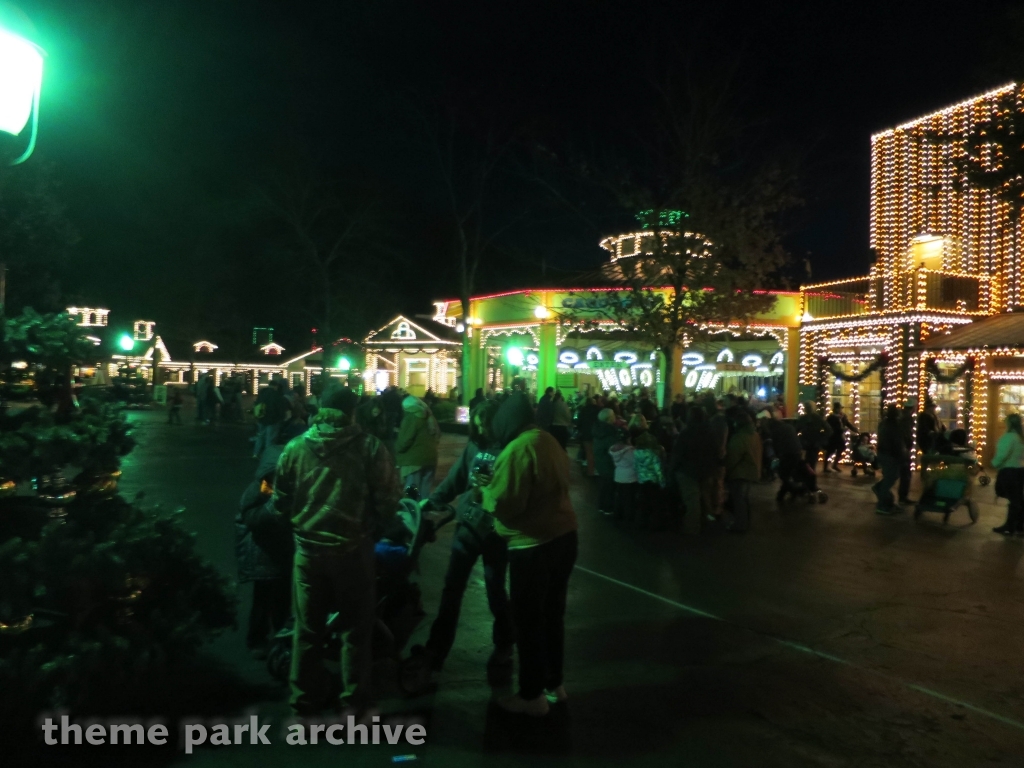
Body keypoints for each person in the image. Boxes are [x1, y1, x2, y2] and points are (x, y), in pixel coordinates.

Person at [273, 386, 401, 716]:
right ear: (352, 411)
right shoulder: (369, 448)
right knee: (355, 631)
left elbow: (280, 501)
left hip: (308, 553)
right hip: (353, 551)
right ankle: (354, 703)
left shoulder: (295, 447)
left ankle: (304, 697)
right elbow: (388, 501)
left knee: (307, 630)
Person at [482, 393, 578, 716]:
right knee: (553, 615)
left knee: (528, 620)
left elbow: (505, 503)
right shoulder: (548, 440)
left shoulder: (518, 449)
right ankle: (554, 684)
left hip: (532, 544)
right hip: (564, 536)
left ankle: (531, 695)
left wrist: (483, 492)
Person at [415, 400, 514, 679]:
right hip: (468, 526)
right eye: (477, 421)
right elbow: (457, 478)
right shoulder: (475, 446)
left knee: (496, 589)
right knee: (452, 589)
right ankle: (436, 650)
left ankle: (505, 642)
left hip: (496, 530)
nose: (481, 426)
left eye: (485, 421)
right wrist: (431, 501)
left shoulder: (511, 450)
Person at [237, 445, 293, 659]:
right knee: (262, 601)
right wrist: (275, 507)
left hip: (283, 552)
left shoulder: (289, 487)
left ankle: (282, 640)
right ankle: (257, 639)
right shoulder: (260, 489)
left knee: (283, 601)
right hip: (263, 554)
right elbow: (251, 518)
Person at [395, 394, 441, 497]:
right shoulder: (430, 416)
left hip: (413, 462)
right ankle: (422, 512)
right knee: (424, 493)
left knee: (412, 494)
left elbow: (404, 441)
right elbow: (438, 435)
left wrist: (396, 450)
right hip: (430, 459)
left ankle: (412, 512)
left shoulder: (411, 417)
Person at [725, 410, 762, 532]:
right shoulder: (754, 435)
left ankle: (740, 525)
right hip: (751, 471)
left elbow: (732, 457)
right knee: (744, 500)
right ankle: (746, 523)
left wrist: (727, 471)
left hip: (739, 473)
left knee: (738, 500)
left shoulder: (739, 437)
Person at [991, 413, 1024, 535]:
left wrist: (994, 464)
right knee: (1018, 498)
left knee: (1013, 499)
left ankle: (1010, 525)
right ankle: (1019, 525)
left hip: (1008, 470)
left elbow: (1003, 454)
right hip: (1020, 470)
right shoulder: (1021, 437)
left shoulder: (1009, 437)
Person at [633, 418, 667, 529]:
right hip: (653, 481)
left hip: (642, 480)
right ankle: (655, 524)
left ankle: (642, 522)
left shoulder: (635, 453)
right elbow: (658, 470)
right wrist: (662, 483)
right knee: (655, 503)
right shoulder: (653, 454)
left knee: (644, 503)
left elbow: (636, 467)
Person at [873, 404, 906, 515]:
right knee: (890, 478)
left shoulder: (884, 424)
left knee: (891, 476)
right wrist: (901, 454)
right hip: (890, 454)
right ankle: (882, 505)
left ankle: (883, 495)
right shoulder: (894, 425)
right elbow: (896, 442)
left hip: (884, 453)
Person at [592, 408, 621, 515]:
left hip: (600, 459)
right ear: (609, 418)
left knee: (604, 484)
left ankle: (602, 505)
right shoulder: (609, 431)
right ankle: (608, 507)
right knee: (609, 485)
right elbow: (613, 446)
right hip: (607, 460)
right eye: (613, 415)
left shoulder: (599, 429)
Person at [253, 379, 288, 460]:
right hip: (272, 419)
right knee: (270, 439)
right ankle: (267, 455)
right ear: (275, 386)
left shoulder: (262, 393)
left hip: (261, 418)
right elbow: (279, 408)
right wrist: (281, 418)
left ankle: (255, 453)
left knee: (260, 436)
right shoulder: (277, 395)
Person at [608, 429, 638, 522]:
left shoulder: (613, 449)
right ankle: (628, 517)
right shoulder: (630, 451)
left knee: (619, 497)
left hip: (618, 476)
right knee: (629, 499)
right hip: (630, 478)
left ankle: (618, 515)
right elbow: (635, 463)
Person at [796, 401, 831, 471]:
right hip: (811, 443)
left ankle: (809, 475)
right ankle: (809, 475)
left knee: (809, 461)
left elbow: (796, 429)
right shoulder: (813, 418)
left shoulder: (806, 418)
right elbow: (828, 430)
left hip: (811, 443)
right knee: (810, 461)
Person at [824, 402, 854, 472]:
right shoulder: (831, 417)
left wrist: (854, 429)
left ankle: (834, 465)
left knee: (841, 448)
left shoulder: (842, 416)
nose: (841, 410)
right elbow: (830, 427)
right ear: (836, 409)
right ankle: (826, 467)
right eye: (840, 408)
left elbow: (847, 423)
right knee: (830, 450)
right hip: (833, 436)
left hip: (839, 436)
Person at [576, 396, 600, 476]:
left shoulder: (583, 410)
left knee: (589, 453)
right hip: (596, 434)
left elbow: (579, 422)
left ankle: (590, 471)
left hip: (586, 434)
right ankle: (597, 469)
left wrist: (580, 430)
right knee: (596, 452)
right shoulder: (598, 409)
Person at [898, 402, 916, 503]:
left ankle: (903, 496)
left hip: (902, 449)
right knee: (905, 474)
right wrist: (907, 445)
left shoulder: (902, 418)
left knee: (904, 474)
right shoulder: (906, 419)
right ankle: (903, 497)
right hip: (903, 450)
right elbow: (906, 434)